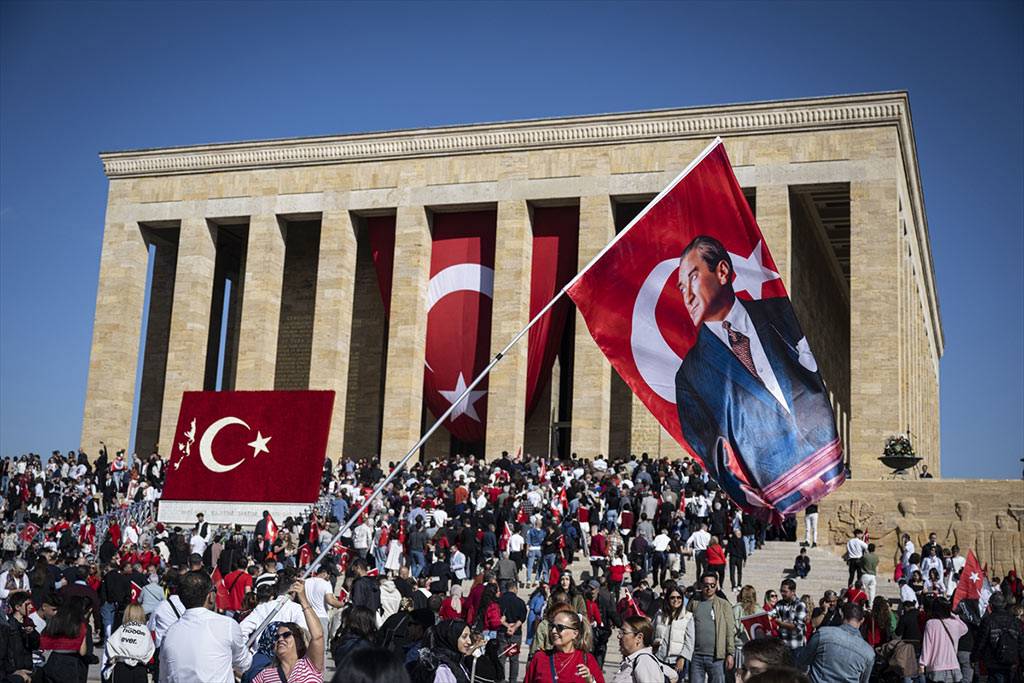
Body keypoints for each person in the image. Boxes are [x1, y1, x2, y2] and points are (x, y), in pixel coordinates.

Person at [673, 235, 841, 512]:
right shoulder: (690, 376)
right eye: (681, 288)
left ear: (723, 272)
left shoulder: (780, 315)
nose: (687, 296)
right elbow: (711, 454)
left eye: (692, 279)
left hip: (825, 457)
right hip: (777, 489)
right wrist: (753, 500)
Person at [158, 570, 252, 682]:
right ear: (210, 596)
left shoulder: (169, 633)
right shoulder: (227, 625)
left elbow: (164, 677)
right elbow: (244, 663)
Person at [796, 602, 874, 683]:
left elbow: (803, 660)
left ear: (842, 615)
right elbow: (864, 680)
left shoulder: (823, 634)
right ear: (862, 620)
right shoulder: (869, 652)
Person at [522, 606, 604, 683]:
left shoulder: (587, 659)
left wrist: (590, 680)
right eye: (552, 626)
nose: (554, 631)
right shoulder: (540, 658)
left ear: (575, 633)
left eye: (560, 628)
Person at [687, 572, 735, 683]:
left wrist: (730, 653)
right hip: (696, 656)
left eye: (712, 585)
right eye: (706, 585)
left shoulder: (724, 605)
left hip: (717, 657)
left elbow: (729, 631)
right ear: (701, 585)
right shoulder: (694, 603)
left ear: (717, 585)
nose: (709, 588)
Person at [972, 593, 1024, 683]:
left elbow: (981, 641)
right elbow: (1021, 643)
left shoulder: (988, 620)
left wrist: (974, 658)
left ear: (991, 605)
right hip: (1012, 660)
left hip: (993, 661)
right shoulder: (1015, 621)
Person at [613, 615, 676, 683]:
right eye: (619, 632)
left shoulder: (644, 661)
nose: (619, 636)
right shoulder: (634, 660)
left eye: (623, 633)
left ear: (639, 638)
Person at [410, 618, 474, 683]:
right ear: (451, 637)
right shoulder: (442, 668)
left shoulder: (455, 660)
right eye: (464, 637)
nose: (469, 641)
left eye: (469, 636)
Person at [103, 602, 154, 682]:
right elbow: (150, 649)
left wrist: (113, 658)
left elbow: (110, 645)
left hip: (121, 668)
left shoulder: (122, 629)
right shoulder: (145, 630)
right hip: (140, 669)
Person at [918, 600, 967, 682]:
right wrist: (953, 615)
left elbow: (927, 646)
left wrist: (922, 664)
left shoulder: (930, 624)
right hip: (953, 666)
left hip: (936, 666)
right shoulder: (955, 623)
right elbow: (964, 628)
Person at [653, 586, 694, 680]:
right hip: (659, 658)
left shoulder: (688, 617)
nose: (676, 600)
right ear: (668, 599)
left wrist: (682, 658)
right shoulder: (659, 615)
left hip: (676, 662)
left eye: (679, 597)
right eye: (672, 597)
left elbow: (689, 641)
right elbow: (652, 632)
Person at [769, 579, 807, 652]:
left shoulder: (799, 605)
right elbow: (770, 614)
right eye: (781, 591)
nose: (782, 593)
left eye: (785, 591)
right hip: (782, 646)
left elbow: (797, 627)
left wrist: (780, 623)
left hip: (796, 647)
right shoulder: (779, 604)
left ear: (793, 592)